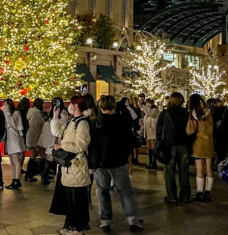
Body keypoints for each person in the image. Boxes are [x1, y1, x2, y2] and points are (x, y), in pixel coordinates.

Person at [89, 95, 144, 232]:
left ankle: (105, 220)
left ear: (100, 106)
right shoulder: (122, 121)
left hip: (101, 163)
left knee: (103, 191)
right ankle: (133, 219)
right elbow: (129, 140)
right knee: (125, 191)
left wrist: (92, 163)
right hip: (118, 161)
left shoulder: (95, 123)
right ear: (114, 106)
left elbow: (93, 146)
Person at [49, 96, 91, 234]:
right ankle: (70, 225)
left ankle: (78, 227)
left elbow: (80, 145)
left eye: (71, 104)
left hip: (77, 164)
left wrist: (62, 145)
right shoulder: (71, 121)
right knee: (69, 198)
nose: (69, 107)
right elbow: (57, 131)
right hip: (68, 166)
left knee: (77, 198)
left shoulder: (83, 123)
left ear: (76, 106)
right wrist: (55, 116)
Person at [156, 92, 191, 204]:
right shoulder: (186, 113)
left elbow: (159, 127)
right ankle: (185, 195)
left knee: (169, 172)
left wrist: (159, 142)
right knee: (184, 171)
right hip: (184, 144)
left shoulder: (166, 113)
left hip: (169, 145)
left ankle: (172, 196)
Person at [185, 94, 215, 202]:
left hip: (198, 144)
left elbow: (190, 131)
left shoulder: (193, 114)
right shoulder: (209, 112)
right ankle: (208, 192)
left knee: (199, 170)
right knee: (209, 169)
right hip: (209, 143)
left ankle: (199, 192)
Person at [2, 98, 25, 189]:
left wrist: (7, 113)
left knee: (16, 160)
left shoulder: (16, 113)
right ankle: (14, 179)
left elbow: (13, 125)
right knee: (12, 161)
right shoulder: (8, 114)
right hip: (9, 140)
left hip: (15, 139)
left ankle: (17, 180)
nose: (4, 107)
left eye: (5, 104)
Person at [25, 98, 45, 182]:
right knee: (41, 156)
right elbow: (36, 127)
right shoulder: (36, 113)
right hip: (35, 138)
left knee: (35, 156)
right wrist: (37, 141)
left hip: (32, 137)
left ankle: (31, 174)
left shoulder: (31, 111)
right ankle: (42, 175)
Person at [142, 98, 160, 170]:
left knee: (153, 147)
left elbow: (152, 114)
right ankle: (150, 162)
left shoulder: (155, 110)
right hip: (148, 132)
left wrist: (144, 107)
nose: (147, 105)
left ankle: (154, 162)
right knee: (149, 147)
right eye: (147, 103)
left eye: (149, 103)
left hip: (153, 132)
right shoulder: (147, 112)